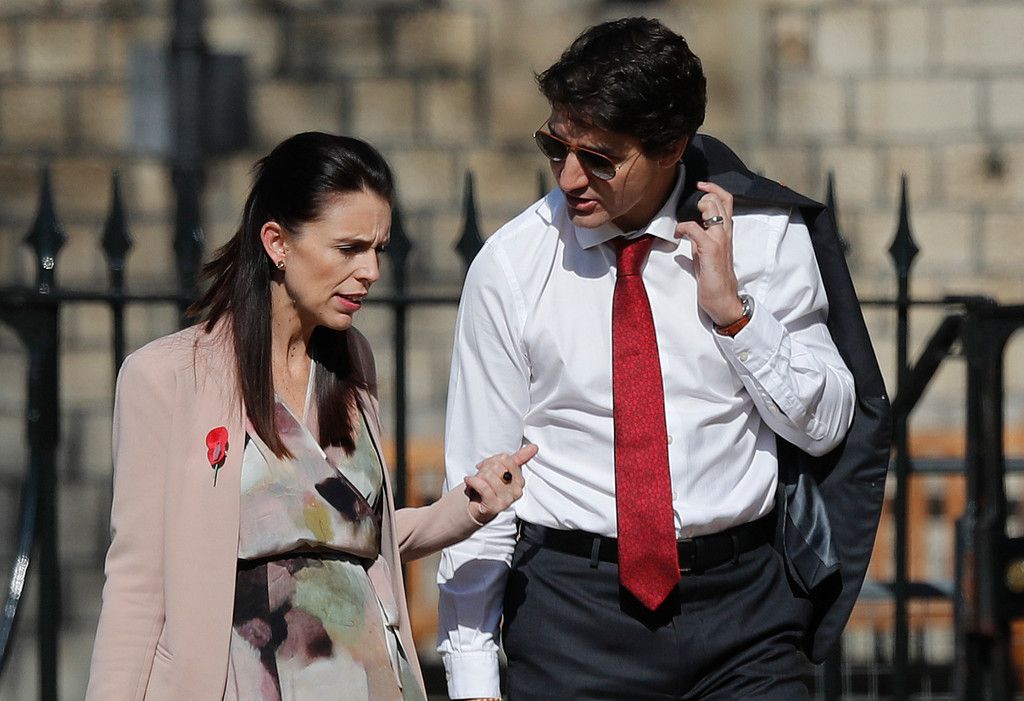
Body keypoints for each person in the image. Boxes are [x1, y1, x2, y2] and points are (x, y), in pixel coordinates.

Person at [437, 17, 888, 701]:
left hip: (745, 616)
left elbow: (826, 426)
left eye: (600, 158)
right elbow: (479, 486)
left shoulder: (763, 236)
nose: (569, 177)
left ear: (672, 147)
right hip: (572, 618)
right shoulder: (512, 266)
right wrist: (472, 678)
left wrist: (736, 316)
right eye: (554, 147)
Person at [86, 131, 534, 701]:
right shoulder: (165, 377)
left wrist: (468, 507)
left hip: (372, 680)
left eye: (378, 249)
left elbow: (349, 535)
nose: (371, 270)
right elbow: (136, 583)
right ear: (277, 242)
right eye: (349, 249)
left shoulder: (352, 362)